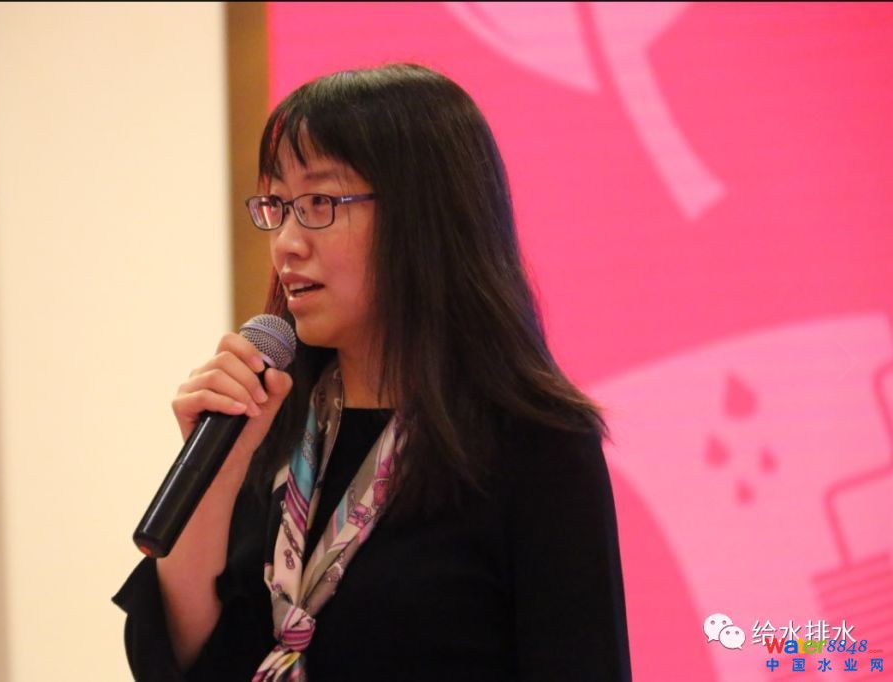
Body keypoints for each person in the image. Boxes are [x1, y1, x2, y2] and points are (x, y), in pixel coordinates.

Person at [114, 63, 632, 681]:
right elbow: (186, 663)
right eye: (277, 205)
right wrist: (216, 480)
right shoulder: (272, 421)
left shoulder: (536, 446)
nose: (286, 243)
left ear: (426, 215)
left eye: (318, 203)